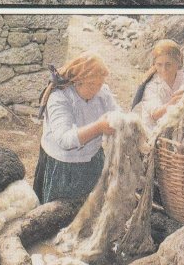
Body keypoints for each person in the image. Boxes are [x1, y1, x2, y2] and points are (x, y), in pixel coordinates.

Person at [32, 52, 120, 203]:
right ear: (77, 81)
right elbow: (65, 140)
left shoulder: (101, 91)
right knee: (60, 212)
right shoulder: (60, 98)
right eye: (92, 84)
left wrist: (119, 121)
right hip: (63, 167)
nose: (97, 89)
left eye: (100, 84)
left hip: (92, 158)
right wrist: (98, 127)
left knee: (91, 206)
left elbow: (117, 113)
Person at [131, 39, 184, 131]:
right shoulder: (152, 86)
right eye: (159, 64)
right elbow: (155, 115)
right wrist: (174, 102)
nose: (163, 69)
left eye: (168, 64)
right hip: (156, 132)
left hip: (180, 129)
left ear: (178, 63)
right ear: (154, 65)